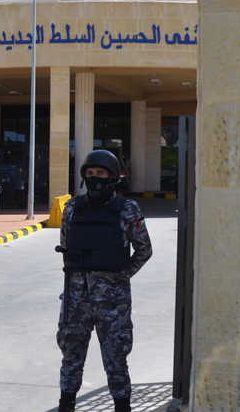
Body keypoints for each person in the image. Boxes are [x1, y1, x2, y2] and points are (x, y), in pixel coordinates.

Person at [55, 150, 152, 412]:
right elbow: (66, 245)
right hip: (76, 297)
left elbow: (144, 249)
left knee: (116, 357)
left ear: (112, 178)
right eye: (90, 173)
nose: (94, 178)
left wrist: (121, 275)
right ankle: (66, 404)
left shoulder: (127, 209)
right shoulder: (72, 208)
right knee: (71, 356)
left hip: (112, 301)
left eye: (100, 173)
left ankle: (122, 406)